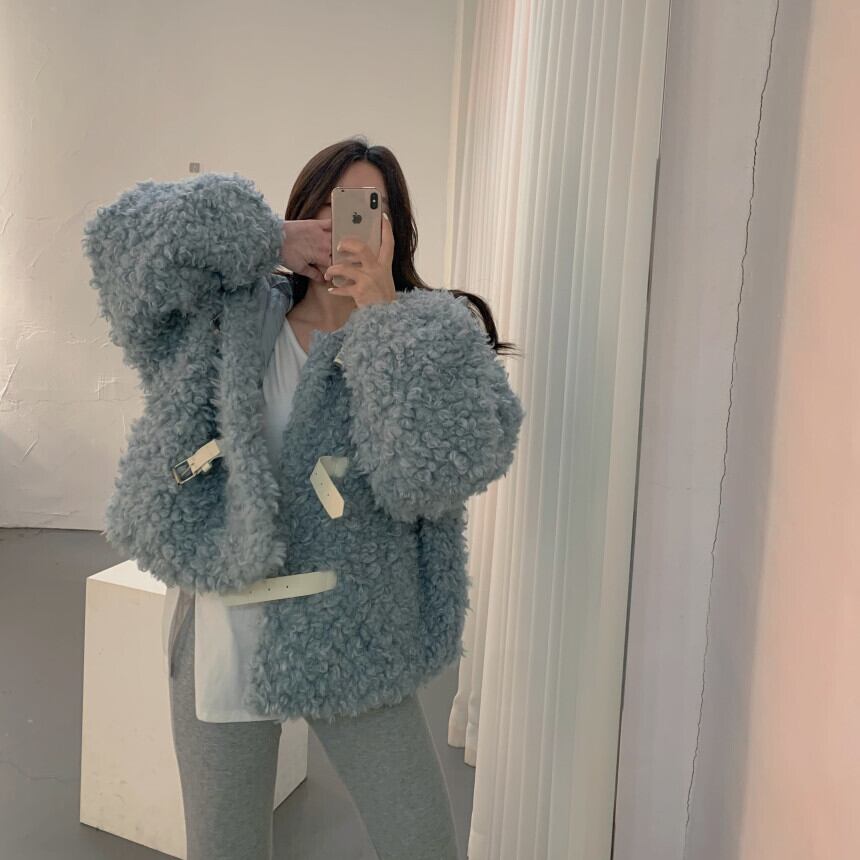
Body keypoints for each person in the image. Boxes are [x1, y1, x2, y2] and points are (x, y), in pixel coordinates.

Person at [84, 135, 525, 860]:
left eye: (363, 208)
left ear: (394, 228)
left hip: (358, 625)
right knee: (223, 845)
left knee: (421, 841)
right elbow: (117, 242)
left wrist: (382, 314)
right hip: (223, 615)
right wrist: (265, 237)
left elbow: (431, 478)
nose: (339, 225)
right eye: (323, 207)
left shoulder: (432, 331)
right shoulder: (228, 317)